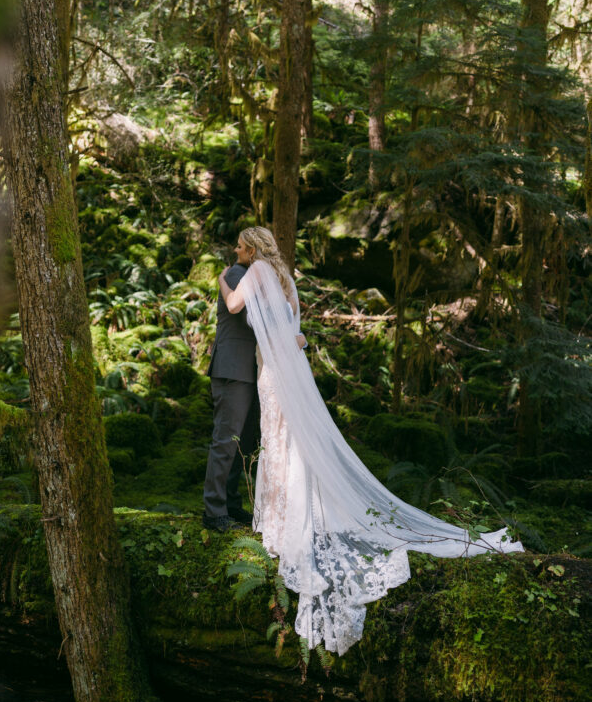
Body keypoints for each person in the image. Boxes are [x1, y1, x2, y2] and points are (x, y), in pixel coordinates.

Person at [218, 226, 524, 656]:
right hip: (295, 371)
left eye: (239, 246)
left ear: (250, 249)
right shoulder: (286, 278)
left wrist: (222, 277)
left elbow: (233, 304)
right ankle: (290, 515)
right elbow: (299, 335)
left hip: (272, 374)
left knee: (279, 440)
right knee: (295, 443)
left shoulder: (249, 273)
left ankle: (281, 523)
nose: (236, 251)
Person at [202, 237, 259, 532]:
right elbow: (258, 319)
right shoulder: (237, 276)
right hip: (232, 370)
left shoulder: (249, 276)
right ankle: (213, 511)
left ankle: (232, 504)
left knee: (242, 444)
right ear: (251, 251)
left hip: (248, 370)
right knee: (225, 441)